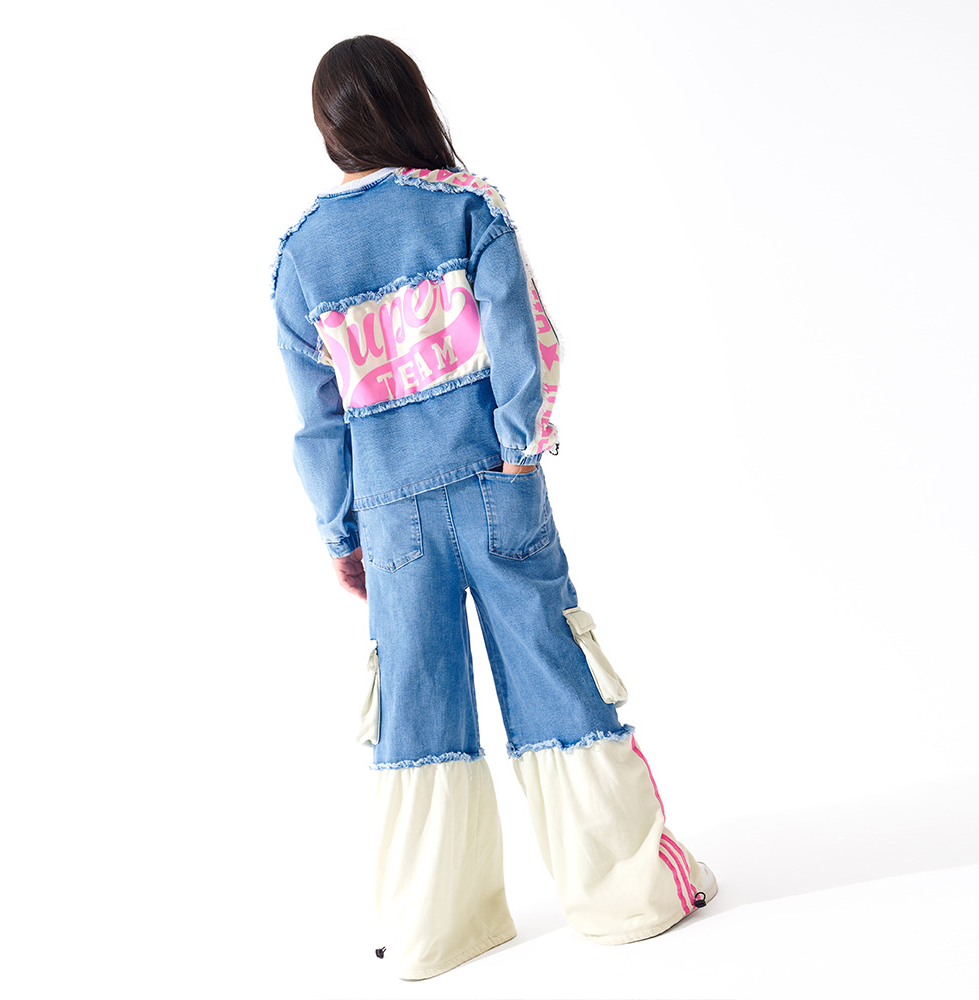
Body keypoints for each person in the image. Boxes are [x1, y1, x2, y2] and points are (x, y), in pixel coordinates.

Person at [271, 33, 718, 982]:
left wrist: (342, 530)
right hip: (494, 487)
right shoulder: (466, 206)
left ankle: (439, 930)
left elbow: (317, 421)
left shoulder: (300, 254)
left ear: (328, 127)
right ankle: (627, 899)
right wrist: (519, 451)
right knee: (555, 675)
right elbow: (527, 343)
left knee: (415, 710)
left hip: (389, 520)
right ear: (410, 102)